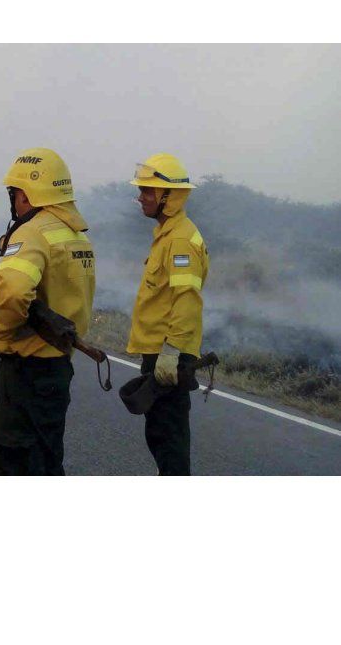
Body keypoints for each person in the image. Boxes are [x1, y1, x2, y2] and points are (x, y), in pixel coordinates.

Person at [0, 148, 95, 475]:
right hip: (58, 367)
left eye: (14, 193)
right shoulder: (76, 236)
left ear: (26, 195)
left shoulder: (33, 231)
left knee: (13, 458)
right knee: (47, 457)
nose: (14, 201)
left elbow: (14, 290)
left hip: (27, 370)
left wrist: (1, 335)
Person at [127, 153, 209, 475]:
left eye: (148, 190)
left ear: (169, 196)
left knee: (169, 440)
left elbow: (187, 299)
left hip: (169, 356)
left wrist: (172, 352)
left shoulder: (179, 240)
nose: (141, 197)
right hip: (161, 353)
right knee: (161, 436)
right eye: (141, 189)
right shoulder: (167, 234)